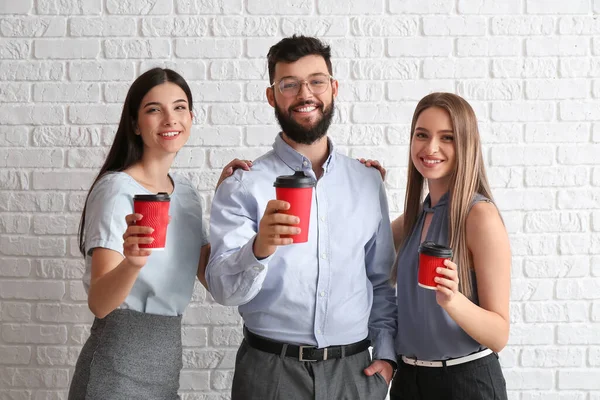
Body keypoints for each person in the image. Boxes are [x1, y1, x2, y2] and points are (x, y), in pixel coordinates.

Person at [205, 35, 397, 400]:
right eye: (289, 84)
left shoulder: (367, 181)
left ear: (333, 87)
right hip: (270, 373)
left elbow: (381, 280)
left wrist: (386, 356)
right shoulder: (244, 184)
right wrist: (259, 248)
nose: (305, 93)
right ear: (272, 96)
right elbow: (223, 290)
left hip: (355, 374)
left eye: (316, 81)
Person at [68, 67, 250, 400]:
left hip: (166, 372)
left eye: (180, 107)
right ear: (135, 124)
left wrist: (228, 202)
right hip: (114, 375)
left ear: (192, 117)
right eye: (154, 109)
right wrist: (133, 264)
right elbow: (99, 303)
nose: (170, 119)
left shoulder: (187, 194)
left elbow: (216, 278)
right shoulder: (115, 191)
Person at [365, 92, 510, 400]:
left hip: (465, 382)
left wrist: (453, 301)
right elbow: (360, 260)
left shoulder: (479, 216)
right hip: (409, 381)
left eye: (447, 137)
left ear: (466, 145)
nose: (431, 148)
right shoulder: (415, 216)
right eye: (422, 135)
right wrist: (362, 186)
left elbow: (499, 335)